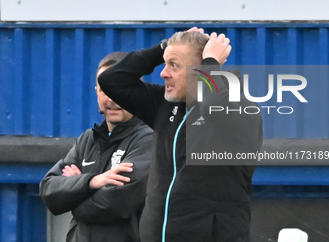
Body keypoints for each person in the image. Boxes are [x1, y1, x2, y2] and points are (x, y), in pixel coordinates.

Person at [98, 29, 263, 242]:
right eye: (165, 64)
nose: (163, 73)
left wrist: (211, 61)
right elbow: (112, 80)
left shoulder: (241, 111)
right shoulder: (164, 105)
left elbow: (214, 103)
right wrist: (161, 49)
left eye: (173, 65)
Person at [39, 52, 153, 242]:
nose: (112, 99)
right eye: (104, 90)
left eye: (120, 89)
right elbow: (48, 190)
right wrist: (91, 182)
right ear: (96, 92)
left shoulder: (148, 139)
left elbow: (113, 204)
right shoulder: (88, 139)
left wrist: (73, 196)